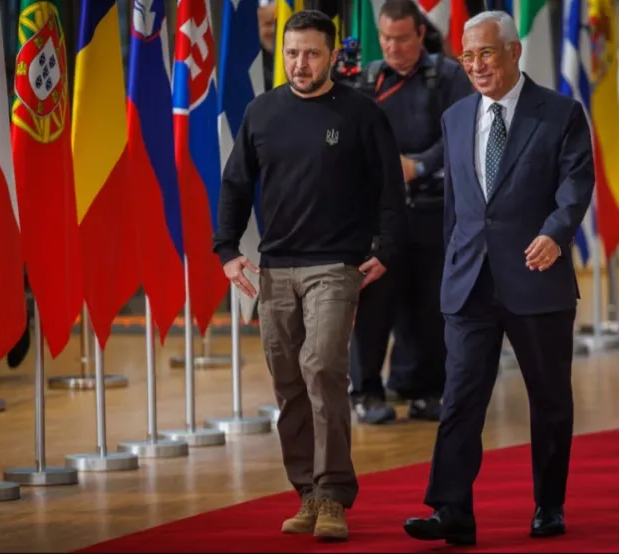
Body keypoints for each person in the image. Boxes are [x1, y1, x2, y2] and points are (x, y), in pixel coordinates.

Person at [213, 10, 406, 542]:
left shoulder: (361, 113)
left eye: (312, 53)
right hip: (275, 268)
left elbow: (390, 188)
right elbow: (234, 185)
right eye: (292, 53)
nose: (300, 63)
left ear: (332, 56)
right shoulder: (261, 112)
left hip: (336, 266)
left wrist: (387, 247)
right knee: (289, 384)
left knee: (322, 368)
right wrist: (227, 249)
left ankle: (334, 494)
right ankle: (308, 494)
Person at [403, 11, 594, 545]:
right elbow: (458, 207)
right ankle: (452, 510)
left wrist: (556, 234)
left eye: (486, 53)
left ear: (514, 52)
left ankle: (549, 504)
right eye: (467, 56)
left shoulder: (559, 114)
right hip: (469, 284)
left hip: (537, 277)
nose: (476, 65)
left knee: (549, 400)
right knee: (460, 397)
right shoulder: (456, 117)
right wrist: (451, 268)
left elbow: (576, 185)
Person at [348, 0, 473, 425]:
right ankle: (365, 392)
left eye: (402, 39)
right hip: (381, 217)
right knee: (373, 307)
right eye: (386, 39)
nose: (393, 48)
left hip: (432, 209)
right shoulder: (368, 79)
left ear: (420, 34)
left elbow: (460, 133)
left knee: (430, 306)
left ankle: (423, 390)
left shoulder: (449, 76)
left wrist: (416, 167)